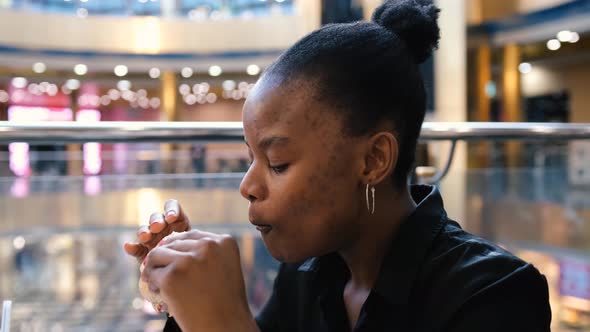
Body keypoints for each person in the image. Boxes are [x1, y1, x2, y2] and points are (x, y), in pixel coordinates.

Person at [123, 0, 552, 331]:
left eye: (277, 162)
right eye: (250, 157)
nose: (247, 185)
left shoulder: (494, 294)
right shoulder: (307, 275)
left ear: (373, 159)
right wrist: (186, 297)